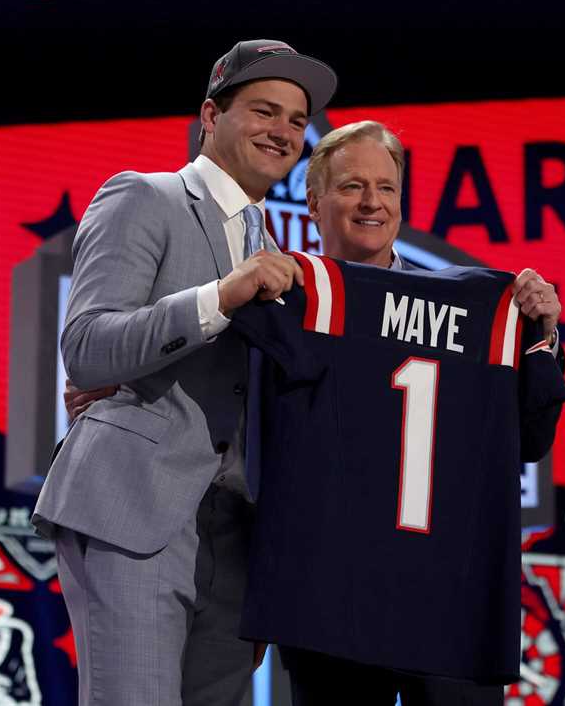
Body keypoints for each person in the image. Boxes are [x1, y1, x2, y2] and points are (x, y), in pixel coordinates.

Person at [66, 120, 565, 705]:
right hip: (332, 597)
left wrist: (541, 336)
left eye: (386, 187)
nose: (371, 202)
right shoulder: (283, 295)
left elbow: (530, 438)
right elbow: (217, 387)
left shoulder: (480, 309)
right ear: (313, 201)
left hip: (445, 590)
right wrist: (129, 385)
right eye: (352, 186)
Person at [32, 39, 337, 706]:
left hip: (237, 536)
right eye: (264, 111)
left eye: (295, 120)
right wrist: (219, 297)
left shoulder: (276, 254)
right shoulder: (145, 197)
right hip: (136, 509)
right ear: (210, 114)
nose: (283, 132)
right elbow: (86, 345)